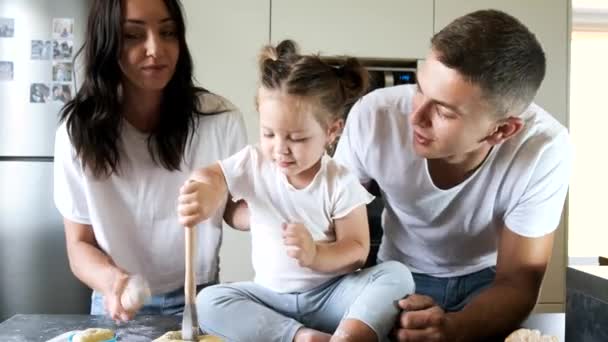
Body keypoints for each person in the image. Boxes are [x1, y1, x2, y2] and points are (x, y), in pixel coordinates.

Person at [333, 9, 572, 341]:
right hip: (395, 274)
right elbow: (329, 221)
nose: (415, 116)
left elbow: (518, 280)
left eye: (443, 110)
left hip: (489, 284)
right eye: (419, 88)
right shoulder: (373, 116)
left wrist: (452, 329)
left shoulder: (544, 148)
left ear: (502, 130)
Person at [178, 40, 415, 342]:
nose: (280, 149)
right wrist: (204, 190)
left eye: (297, 138)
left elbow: (356, 250)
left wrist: (316, 254)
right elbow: (213, 175)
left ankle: (349, 336)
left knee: (396, 276)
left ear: (332, 131)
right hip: (271, 299)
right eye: (268, 133)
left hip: (331, 298)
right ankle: (302, 337)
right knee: (210, 302)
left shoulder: (339, 180)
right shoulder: (254, 162)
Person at [53, 0, 247, 322]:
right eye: (133, 35)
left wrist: (267, 212)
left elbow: (238, 208)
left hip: (198, 298)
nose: (155, 49)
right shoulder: (78, 133)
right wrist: (113, 282)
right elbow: (79, 245)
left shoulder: (219, 119)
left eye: (168, 32)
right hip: (116, 300)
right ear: (108, 43)